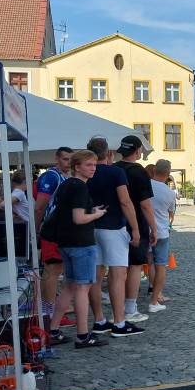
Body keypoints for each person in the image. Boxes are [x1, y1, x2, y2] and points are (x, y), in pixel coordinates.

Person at [48, 149, 108, 348]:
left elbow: (71, 213)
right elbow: (79, 218)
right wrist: (96, 215)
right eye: (88, 165)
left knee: (69, 288)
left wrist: (91, 211)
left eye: (94, 165)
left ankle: (53, 331)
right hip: (81, 243)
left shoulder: (66, 184)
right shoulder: (80, 187)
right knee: (82, 290)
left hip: (66, 242)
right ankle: (83, 336)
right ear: (77, 167)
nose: (93, 169)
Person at [85, 136, 143, 338]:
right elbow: (126, 202)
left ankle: (100, 320)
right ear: (108, 154)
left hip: (91, 227)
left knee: (96, 276)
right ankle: (119, 322)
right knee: (118, 275)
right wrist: (135, 228)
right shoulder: (116, 172)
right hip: (113, 227)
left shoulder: (85, 173)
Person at [113, 135, 157, 323]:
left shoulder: (113, 169)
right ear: (138, 151)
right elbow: (145, 204)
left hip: (114, 223)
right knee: (134, 266)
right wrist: (154, 228)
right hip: (135, 223)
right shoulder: (139, 172)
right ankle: (130, 308)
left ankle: (118, 309)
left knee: (116, 268)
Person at [33, 147, 73, 327]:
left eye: (71, 159)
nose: (68, 163)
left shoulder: (63, 176)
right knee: (52, 269)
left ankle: (53, 310)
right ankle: (47, 313)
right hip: (51, 228)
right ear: (56, 159)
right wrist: (36, 229)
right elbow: (40, 206)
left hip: (61, 228)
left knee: (59, 269)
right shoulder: (52, 176)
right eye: (65, 159)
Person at [148, 159, 177, 312]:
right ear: (168, 174)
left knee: (141, 264)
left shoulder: (144, 186)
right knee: (160, 265)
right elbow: (170, 212)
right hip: (161, 231)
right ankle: (156, 299)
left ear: (154, 171)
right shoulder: (169, 193)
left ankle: (129, 303)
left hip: (143, 230)